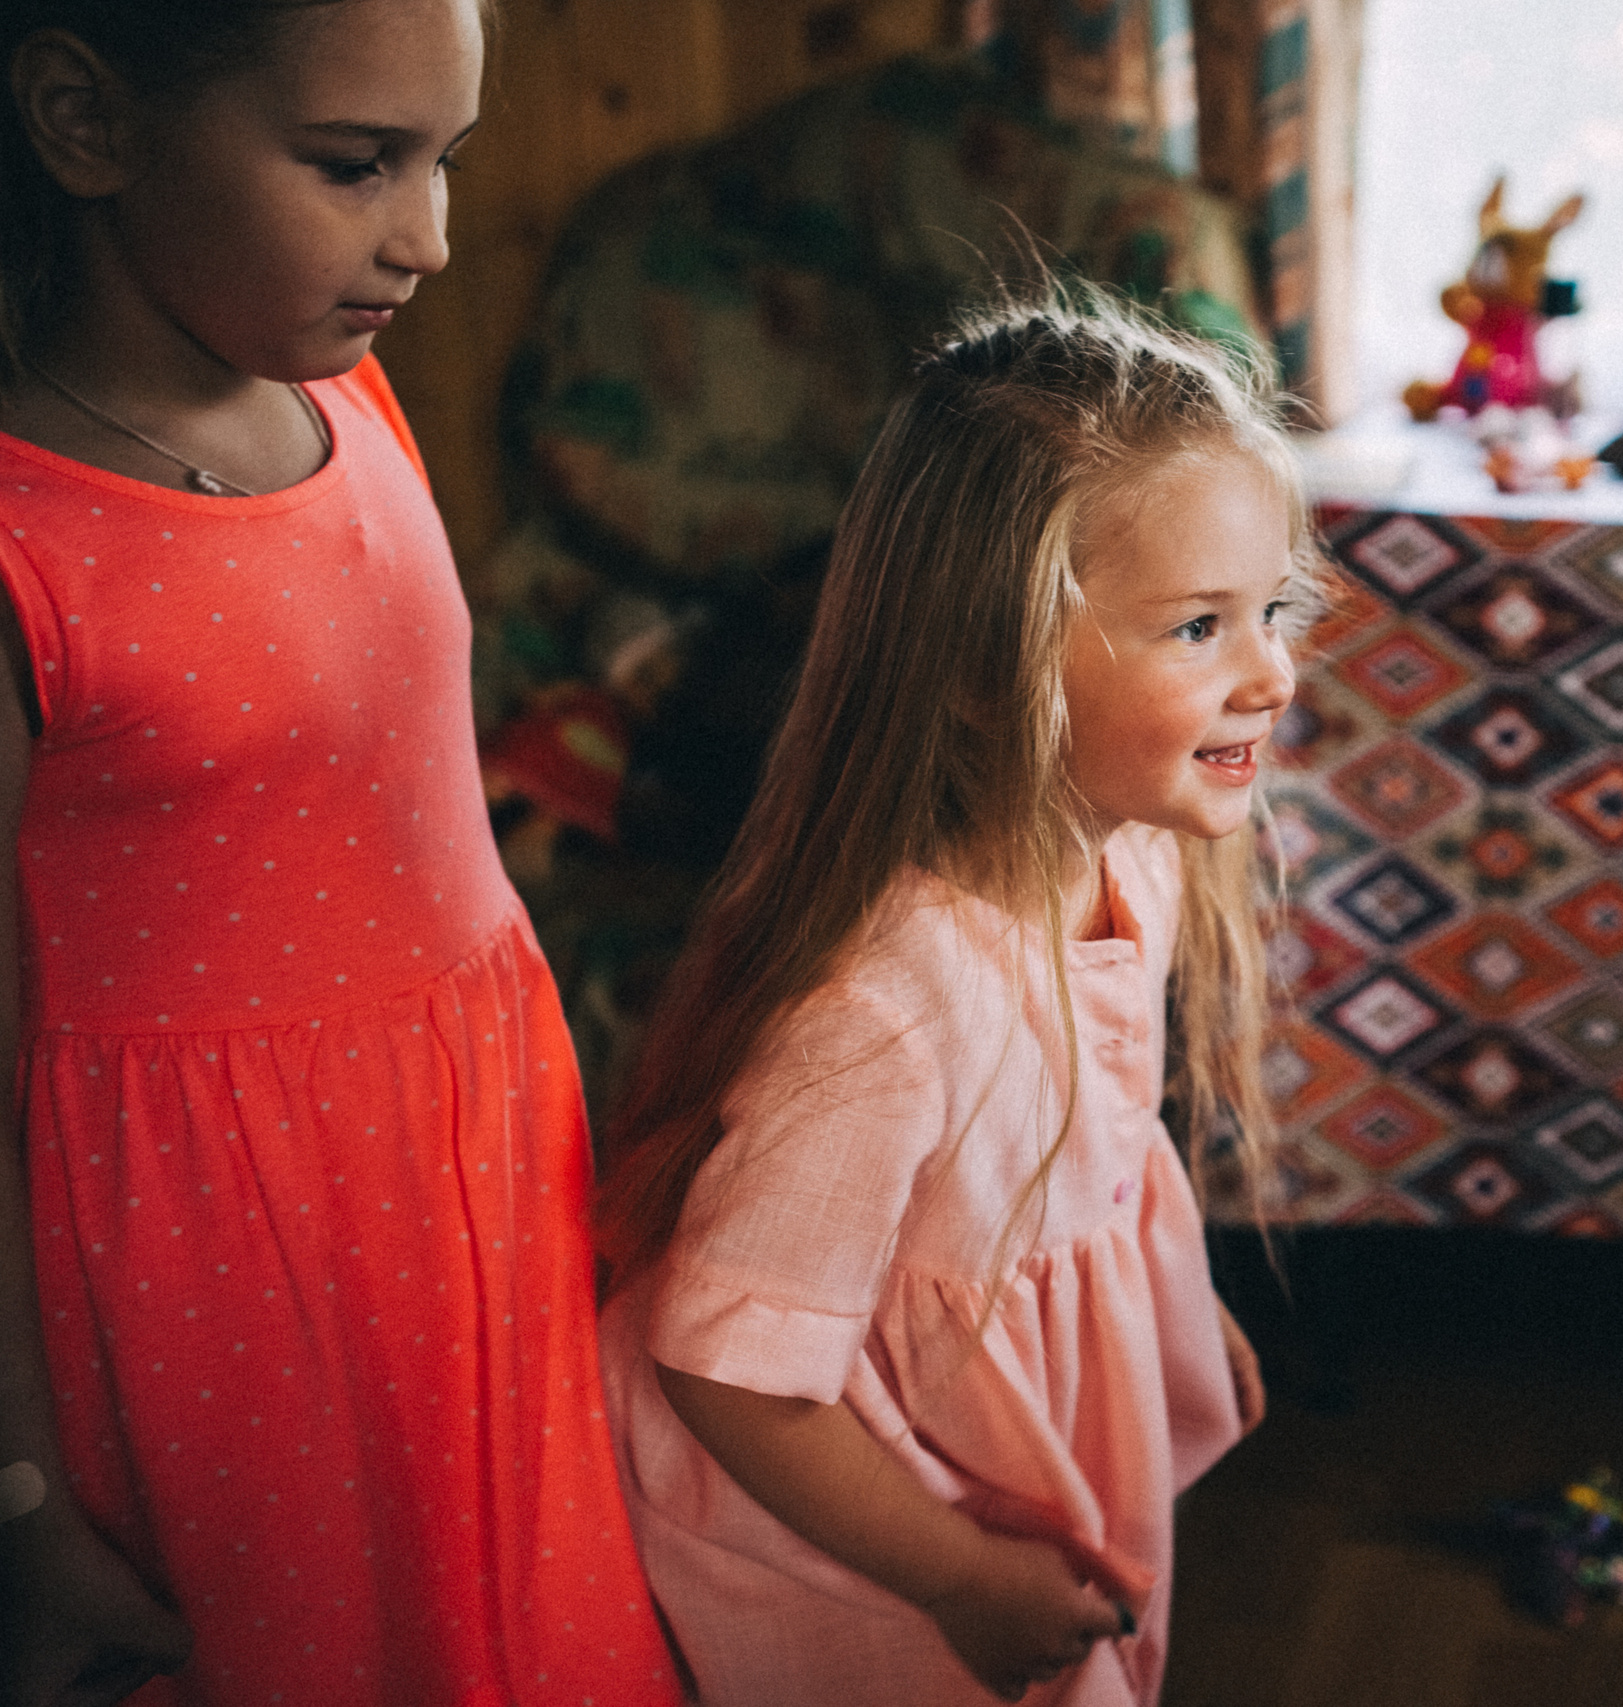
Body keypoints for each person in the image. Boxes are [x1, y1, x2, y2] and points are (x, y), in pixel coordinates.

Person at [0, 3, 682, 1701]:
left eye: (443, 163)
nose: (428, 238)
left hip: (472, 1178)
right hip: (225, 1275)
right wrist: (18, 1505)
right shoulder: (25, 548)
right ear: (84, 121)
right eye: (353, 165)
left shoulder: (352, 396)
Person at [590, 291, 1313, 1707]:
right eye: (1197, 629)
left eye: (1271, 611)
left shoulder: (1138, 854)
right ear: (989, 669)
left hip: (1002, 1449)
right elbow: (732, 1374)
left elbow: (1092, 1156)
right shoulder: (888, 1017)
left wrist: (1167, 1301)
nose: (1271, 673)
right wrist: (956, 1576)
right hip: (855, 1535)